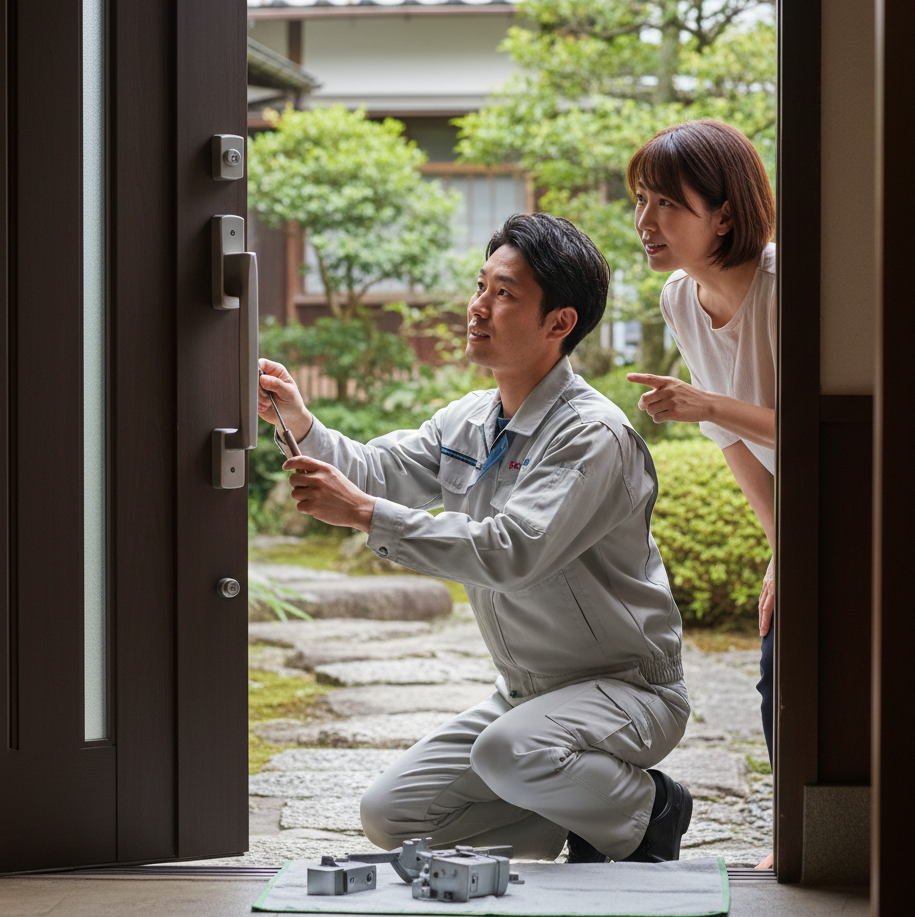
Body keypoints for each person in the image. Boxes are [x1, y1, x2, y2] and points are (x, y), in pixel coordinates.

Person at [257, 212, 693, 865]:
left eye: (505, 293)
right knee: (389, 816)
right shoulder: (468, 419)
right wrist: (298, 416)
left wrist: (368, 517)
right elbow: (380, 470)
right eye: (481, 285)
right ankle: (574, 824)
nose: (478, 306)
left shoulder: (591, 436)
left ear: (559, 322)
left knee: (508, 750)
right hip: (528, 697)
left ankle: (652, 808)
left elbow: (511, 551)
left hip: (628, 691)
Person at [624, 119, 776, 869]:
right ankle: (801, 839)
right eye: (641, 201)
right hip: (798, 507)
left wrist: (707, 404)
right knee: (782, 665)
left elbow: (833, 435)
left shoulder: (784, 287)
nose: (646, 222)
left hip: (863, 499)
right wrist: (783, 550)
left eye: (667, 205)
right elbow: (741, 446)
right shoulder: (681, 299)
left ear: (725, 213)